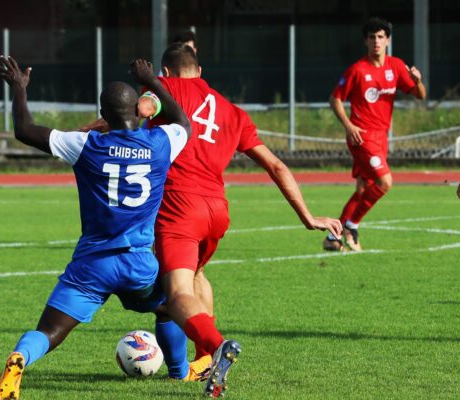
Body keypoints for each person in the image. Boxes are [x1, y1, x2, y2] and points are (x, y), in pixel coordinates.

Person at [137, 43, 343, 398]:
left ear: (167, 72)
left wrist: (88, 133)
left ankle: (216, 347)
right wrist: (307, 216)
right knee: (197, 274)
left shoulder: (163, 87)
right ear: (200, 71)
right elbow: (276, 165)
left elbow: (133, 111)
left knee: (176, 293)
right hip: (217, 210)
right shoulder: (233, 111)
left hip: (179, 206)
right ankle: (203, 361)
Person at [0, 55, 191, 400]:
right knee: (169, 307)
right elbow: (182, 122)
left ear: (104, 114)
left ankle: (20, 357)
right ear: (137, 109)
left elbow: (24, 130)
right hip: (138, 263)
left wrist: (19, 89)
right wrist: (153, 82)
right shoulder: (160, 144)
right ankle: (180, 374)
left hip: (93, 264)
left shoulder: (85, 145)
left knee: (50, 331)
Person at [323, 17, 426, 252]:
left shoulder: (396, 66)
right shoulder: (357, 70)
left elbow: (420, 95)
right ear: (365, 41)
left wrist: (418, 81)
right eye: (372, 37)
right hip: (361, 136)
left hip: (381, 137)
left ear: (387, 40)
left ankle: (332, 238)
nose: (376, 42)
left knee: (362, 190)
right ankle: (352, 225)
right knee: (384, 182)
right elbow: (334, 98)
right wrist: (349, 126)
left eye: (381, 37)